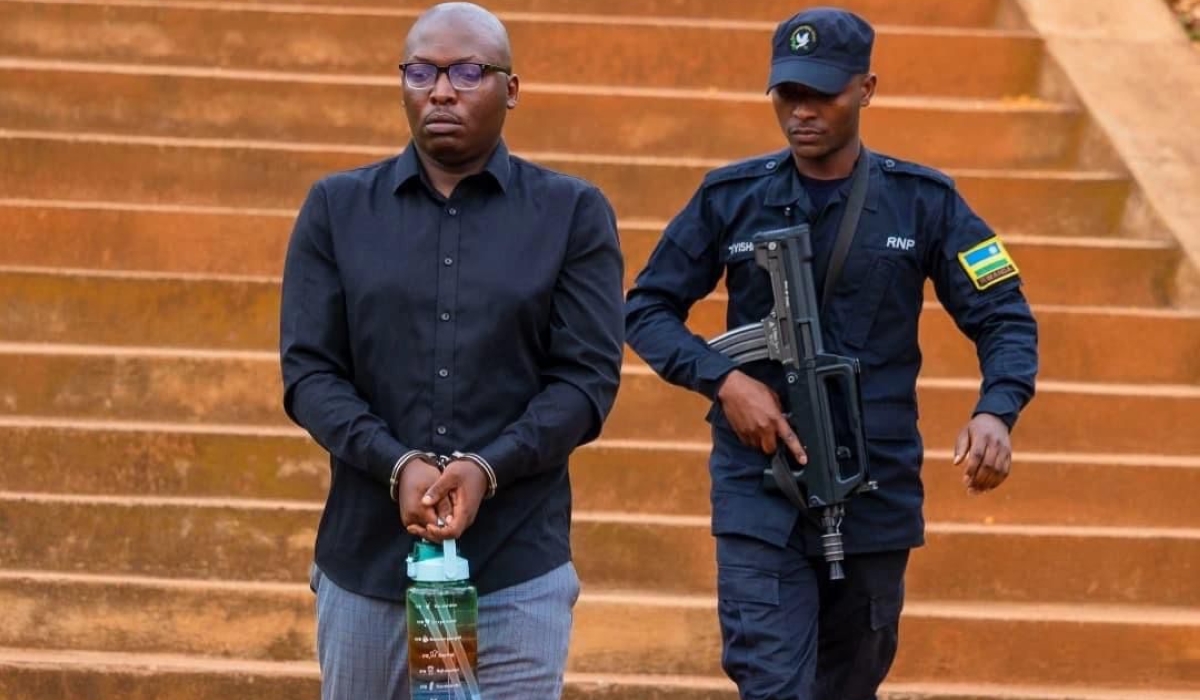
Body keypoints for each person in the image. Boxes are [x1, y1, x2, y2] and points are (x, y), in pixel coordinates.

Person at [625, 7, 1038, 700]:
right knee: (772, 682)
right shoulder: (731, 196)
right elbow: (647, 307)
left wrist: (998, 409)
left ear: (866, 90)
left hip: (875, 487)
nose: (802, 112)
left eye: (823, 94)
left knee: (848, 684)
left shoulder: (923, 202)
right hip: (759, 486)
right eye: (789, 94)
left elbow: (1004, 315)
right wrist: (725, 381)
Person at [278, 3, 625, 698]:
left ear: (511, 89)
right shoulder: (337, 209)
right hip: (365, 567)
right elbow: (309, 372)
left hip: (515, 567)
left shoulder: (571, 214)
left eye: (468, 71)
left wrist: (485, 469)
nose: (441, 90)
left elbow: (585, 382)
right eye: (421, 72)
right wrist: (396, 463)